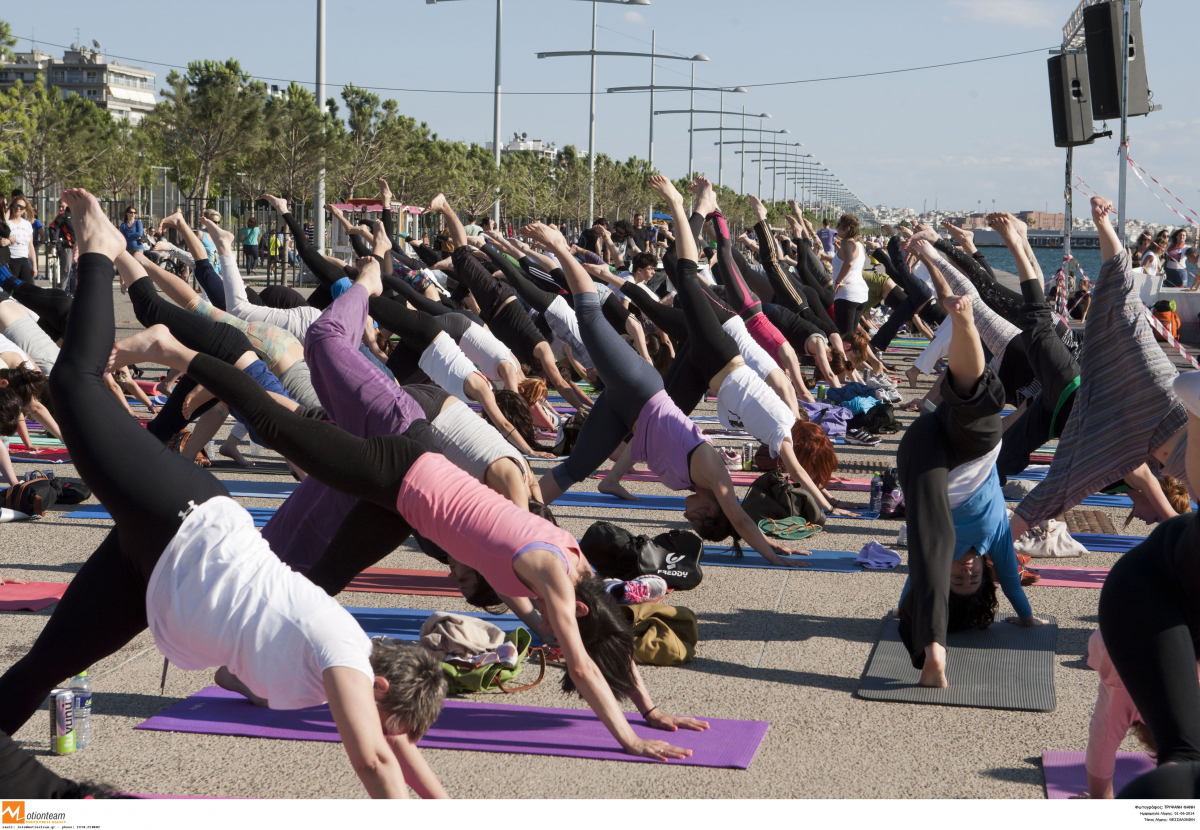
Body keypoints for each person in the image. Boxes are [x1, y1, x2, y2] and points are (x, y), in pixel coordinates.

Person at [113, 249, 711, 763]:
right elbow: (583, 663)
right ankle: (174, 350)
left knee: (320, 580)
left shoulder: (579, 568)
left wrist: (651, 708)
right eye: (569, 629)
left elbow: (608, 637)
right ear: (574, 615)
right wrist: (631, 738)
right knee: (277, 423)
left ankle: (248, 670)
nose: (563, 636)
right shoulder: (558, 573)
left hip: (403, 506)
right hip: (399, 467)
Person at [0, 188, 449, 800]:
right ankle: (101, 253)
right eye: (384, 717)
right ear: (377, 690)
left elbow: (395, 754)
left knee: (43, 669)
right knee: (75, 384)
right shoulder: (343, 647)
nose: (379, 731)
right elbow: (375, 762)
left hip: (153, 584)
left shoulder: (353, 674)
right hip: (182, 524)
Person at [519, 215, 808, 568]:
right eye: (697, 521)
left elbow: (736, 523)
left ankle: (514, 515)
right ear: (710, 509)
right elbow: (741, 519)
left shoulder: (696, 485)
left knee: (574, 470)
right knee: (590, 315)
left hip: (621, 409)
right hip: (640, 389)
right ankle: (558, 247)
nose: (687, 519)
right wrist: (773, 553)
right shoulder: (715, 475)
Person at [894, 251, 1043, 688]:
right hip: (973, 452)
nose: (966, 571)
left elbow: (916, 586)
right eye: (970, 579)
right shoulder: (995, 541)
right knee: (974, 401)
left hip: (925, 451)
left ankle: (931, 644)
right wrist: (1029, 619)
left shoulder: (940, 565)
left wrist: (916, 603)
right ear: (982, 580)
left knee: (929, 545)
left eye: (956, 577)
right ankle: (961, 318)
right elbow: (1014, 587)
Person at [1010, 195, 1190, 541]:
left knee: (1127, 315)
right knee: (1127, 315)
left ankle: (994, 550)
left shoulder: (1129, 450)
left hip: (1152, 408)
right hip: (1156, 399)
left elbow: (1057, 487)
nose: (1142, 518)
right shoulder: (1131, 450)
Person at [1096, 369, 1200, 799]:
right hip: (1149, 589)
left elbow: (1098, 769)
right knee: (1188, 760)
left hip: (1159, 585)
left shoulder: (1124, 700)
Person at [831, 214, 869, 336]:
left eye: (838, 225)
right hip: (860, 293)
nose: (836, 228)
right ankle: (859, 355)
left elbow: (849, 263)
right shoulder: (859, 245)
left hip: (847, 294)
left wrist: (837, 281)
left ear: (846, 228)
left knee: (845, 336)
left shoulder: (846, 243)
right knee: (852, 336)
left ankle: (852, 355)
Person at [3, 197, 36, 284]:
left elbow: (30, 246)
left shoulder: (27, 224)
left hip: (24, 260)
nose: (18, 208)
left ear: (24, 210)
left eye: (21, 207)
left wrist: (34, 266)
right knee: (12, 290)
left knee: (28, 290)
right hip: (11, 260)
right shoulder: (7, 223)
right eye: (16, 205)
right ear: (12, 207)